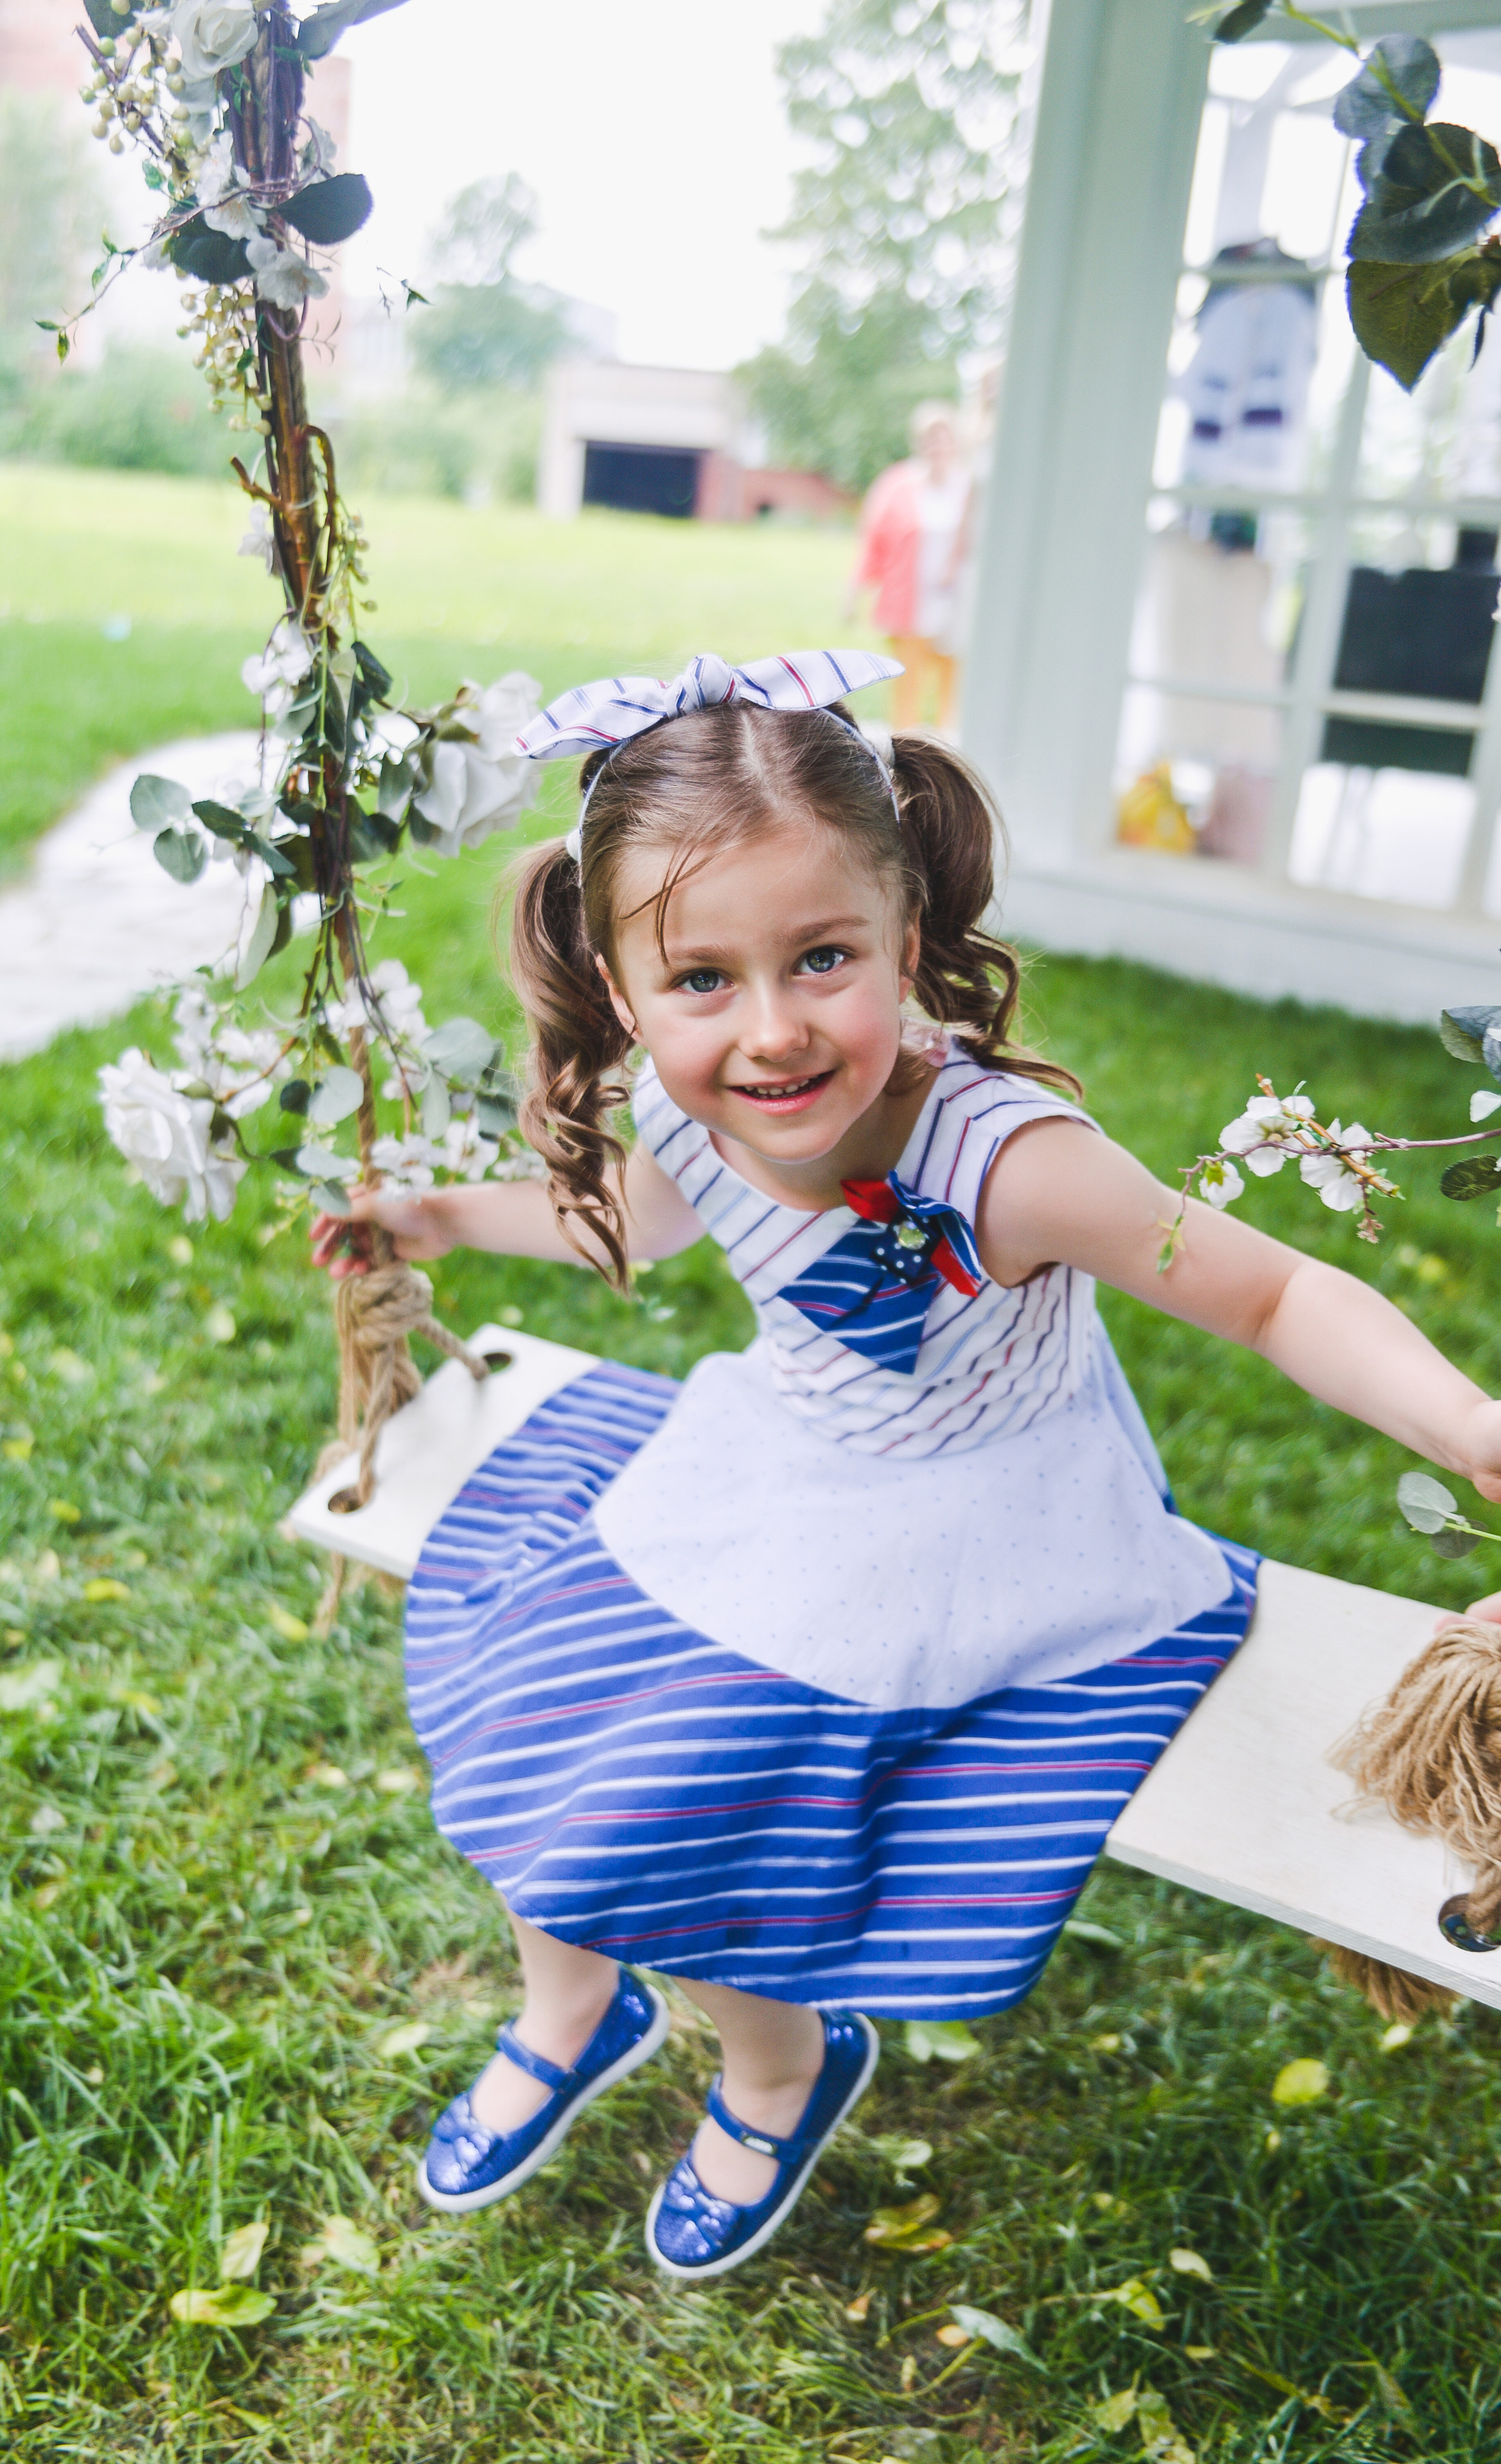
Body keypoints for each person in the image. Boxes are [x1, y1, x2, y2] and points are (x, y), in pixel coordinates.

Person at [312, 648, 1501, 2282]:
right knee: (552, 1685)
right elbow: (636, 1232)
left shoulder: (1010, 1165)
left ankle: (780, 2062)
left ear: (906, 940)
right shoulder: (680, 1109)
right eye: (703, 980)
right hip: (783, 1458)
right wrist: (441, 1217)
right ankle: (568, 2003)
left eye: (821, 958)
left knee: (698, 1783)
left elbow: (1275, 1288)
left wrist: (1471, 1429)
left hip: (982, 1511)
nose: (775, 1029)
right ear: (620, 977)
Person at [846, 402, 973, 735]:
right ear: (917, 443)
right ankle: (907, 747)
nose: (937, 446)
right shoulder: (898, 484)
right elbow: (873, 540)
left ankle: (948, 747)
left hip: (956, 603)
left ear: (956, 442)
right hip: (910, 604)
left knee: (953, 679)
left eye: (944, 438)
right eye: (929, 438)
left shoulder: (969, 486)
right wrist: (853, 593)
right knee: (908, 683)